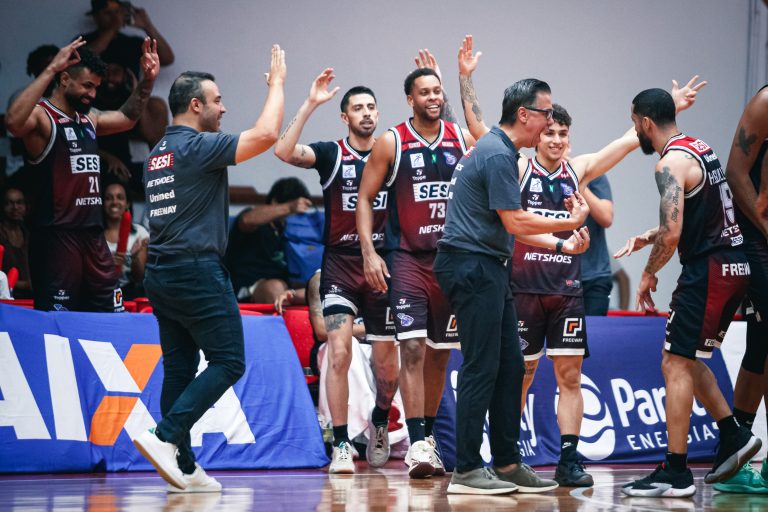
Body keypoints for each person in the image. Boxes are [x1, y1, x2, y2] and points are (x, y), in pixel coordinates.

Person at [456, 34, 704, 487]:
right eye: (549, 131)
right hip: (522, 288)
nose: (555, 138)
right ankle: (507, 456)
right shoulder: (516, 165)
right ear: (537, 133)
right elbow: (480, 128)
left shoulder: (579, 169)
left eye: (562, 133)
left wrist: (670, 105)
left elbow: (630, 138)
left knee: (570, 375)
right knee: (519, 375)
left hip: (566, 289)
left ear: (569, 139)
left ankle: (568, 459)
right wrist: (466, 79)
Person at [131, 45, 286, 492]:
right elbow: (267, 133)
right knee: (229, 361)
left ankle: (183, 464)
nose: (224, 108)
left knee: (179, 370)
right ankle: (165, 436)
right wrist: (277, 83)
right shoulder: (196, 147)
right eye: (218, 101)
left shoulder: (159, 152)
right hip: (196, 271)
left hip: (161, 273)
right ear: (196, 105)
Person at [434, 74, 590, 494]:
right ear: (524, 114)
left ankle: (505, 463)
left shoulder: (499, 150)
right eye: (546, 113)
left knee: (510, 366)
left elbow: (511, 227)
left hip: (488, 266)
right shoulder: (498, 154)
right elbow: (516, 221)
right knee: (481, 365)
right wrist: (569, 220)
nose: (551, 122)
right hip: (472, 267)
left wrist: (562, 244)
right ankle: (466, 470)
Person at [617, 88, 761, 497]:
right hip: (734, 265)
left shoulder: (668, 163)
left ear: (645, 122)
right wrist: (649, 236)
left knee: (674, 363)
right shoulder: (699, 148)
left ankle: (676, 470)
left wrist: (648, 274)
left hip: (708, 270)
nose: (636, 130)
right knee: (685, 357)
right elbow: (697, 214)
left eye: (634, 123)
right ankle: (733, 434)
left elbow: (673, 231)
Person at [356, 52, 479, 479]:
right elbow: (365, 198)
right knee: (411, 347)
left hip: (451, 260)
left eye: (436, 91)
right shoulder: (392, 141)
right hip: (407, 258)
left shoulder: (460, 137)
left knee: (439, 355)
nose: (432, 97)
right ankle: (418, 442)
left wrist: (463, 79)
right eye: (424, 92)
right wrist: (369, 253)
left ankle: (428, 437)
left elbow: (489, 139)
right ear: (410, 99)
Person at [274, 71, 398, 473]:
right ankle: (342, 443)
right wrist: (311, 102)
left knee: (387, 367)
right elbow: (283, 150)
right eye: (357, 108)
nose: (366, 113)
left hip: (382, 265)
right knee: (339, 352)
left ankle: (380, 418)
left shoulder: (392, 152)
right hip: (341, 266)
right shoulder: (332, 154)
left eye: (371, 107)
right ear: (345, 117)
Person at [5, 37, 159, 312]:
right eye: (87, 86)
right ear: (65, 79)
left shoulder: (90, 118)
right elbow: (14, 123)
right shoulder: (42, 117)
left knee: (111, 314)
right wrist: (51, 68)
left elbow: (128, 118)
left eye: (96, 87)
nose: (93, 94)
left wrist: (148, 80)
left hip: (93, 236)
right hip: (57, 238)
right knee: (60, 322)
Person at [714, 85, 768, 494]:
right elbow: (735, 171)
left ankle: (732, 456)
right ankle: (731, 457)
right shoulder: (765, 102)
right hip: (756, 234)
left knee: (762, 343)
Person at [83, 0, 173, 148]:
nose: (114, 17)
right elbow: (83, 59)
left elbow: (167, 58)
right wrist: (113, 28)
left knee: (157, 106)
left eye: (116, 12)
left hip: (132, 102)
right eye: (107, 13)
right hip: (97, 104)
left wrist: (147, 26)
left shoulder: (132, 43)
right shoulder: (84, 40)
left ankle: (160, 160)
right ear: (95, 16)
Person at [224, 177, 313, 304]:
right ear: (275, 201)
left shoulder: (285, 231)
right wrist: (289, 207)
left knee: (316, 287)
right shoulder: (257, 219)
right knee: (275, 287)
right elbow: (246, 220)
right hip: (249, 287)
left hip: (283, 285)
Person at [102, 178, 147, 299]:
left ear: (127, 203)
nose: (114, 202)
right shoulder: (95, 235)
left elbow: (139, 277)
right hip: (102, 293)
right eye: (108, 198)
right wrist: (105, 264)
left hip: (129, 294)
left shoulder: (139, 233)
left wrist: (135, 258)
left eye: (120, 197)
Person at [581, 175, 615, 316]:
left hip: (594, 276)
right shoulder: (538, 175)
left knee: (594, 329)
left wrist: (578, 181)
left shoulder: (593, 175)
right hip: (553, 276)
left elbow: (606, 218)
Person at [0, 186, 32, 298]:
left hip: (30, 296)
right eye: (9, 203)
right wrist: (24, 284)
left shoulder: (28, 232)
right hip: (5, 297)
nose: (15, 207)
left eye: (19, 202)